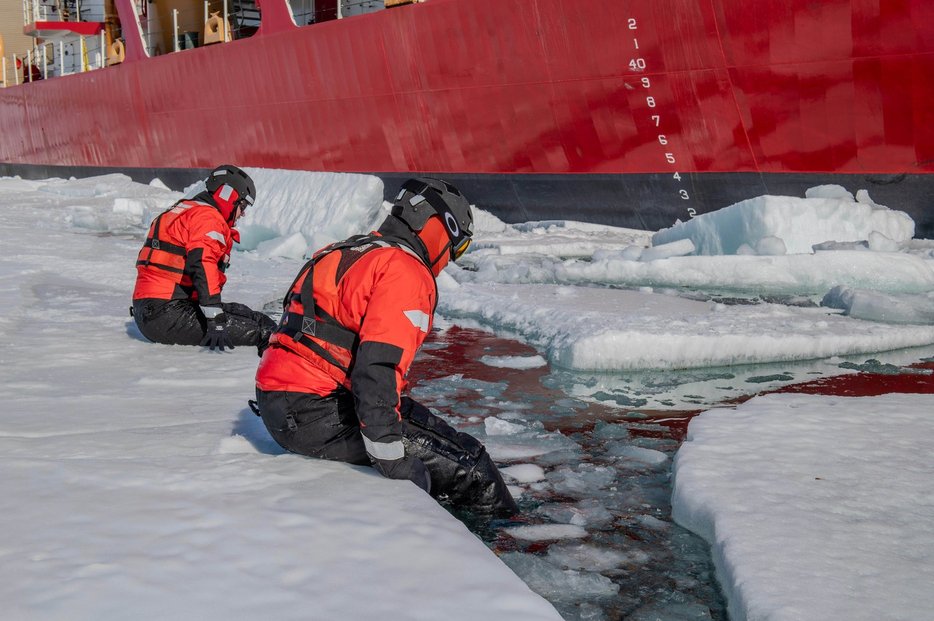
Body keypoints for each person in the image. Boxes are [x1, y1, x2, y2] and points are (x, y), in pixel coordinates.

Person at [253, 177, 518, 515]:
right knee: (474, 471)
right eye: (458, 245)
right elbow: (376, 369)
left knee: (426, 435)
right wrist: (389, 455)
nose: (452, 258)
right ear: (440, 226)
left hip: (279, 404)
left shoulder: (347, 250)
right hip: (316, 411)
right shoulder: (404, 270)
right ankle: (501, 550)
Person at [132, 164, 276, 353]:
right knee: (263, 333)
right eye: (242, 206)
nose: (243, 213)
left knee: (256, 318)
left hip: (157, 309)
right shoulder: (207, 217)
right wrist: (215, 318)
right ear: (228, 197)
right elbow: (202, 263)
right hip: (165, 312)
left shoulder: (186, 209)